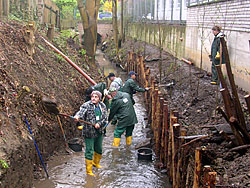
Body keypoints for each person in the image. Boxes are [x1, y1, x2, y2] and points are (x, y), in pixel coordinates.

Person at [74, 91, 107, 176]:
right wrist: (77, 116)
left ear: (99, 98)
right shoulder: (86, 105)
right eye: (92, 96)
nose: (93, 98)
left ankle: (96, 163)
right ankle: (89, 171)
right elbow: (80, 112)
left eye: (96, 97)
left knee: (99, 148)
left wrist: (99, 124)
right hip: (89, 132)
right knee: (89, 150)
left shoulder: (102, 106)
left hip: (99, 131)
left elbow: (105, 118)